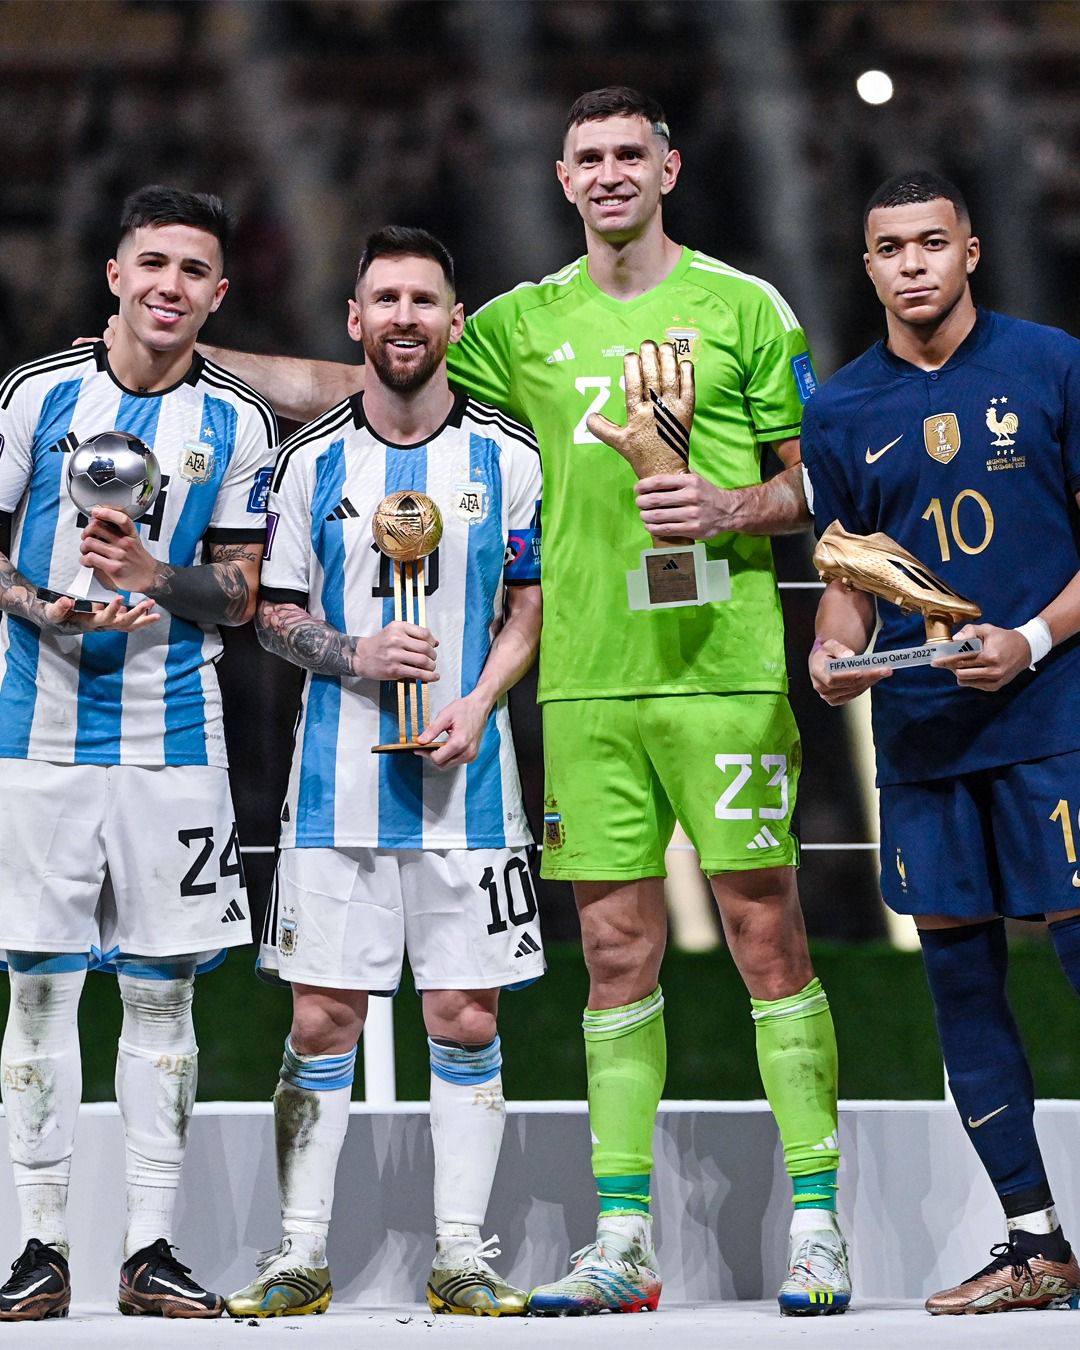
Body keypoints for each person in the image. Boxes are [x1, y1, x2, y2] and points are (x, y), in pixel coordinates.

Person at [192, 87, 849, 1318]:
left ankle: (818, 1225)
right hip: (583, 684)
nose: (610, 173)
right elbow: (378, 378)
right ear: (562, 178)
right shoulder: (518, 323)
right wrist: (195, 356)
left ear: (668, 168)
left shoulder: (745, 305)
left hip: (724, 668)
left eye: (630, 154)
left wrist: (730, 507)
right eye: (588, 156)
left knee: (767, 938)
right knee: (615, 957)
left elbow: (819, 478)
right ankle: (623, 1239)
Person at [224, 226, 544, 1319]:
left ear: (454, 319)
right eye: (386, 300)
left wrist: (482, 699)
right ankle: (298, 1255)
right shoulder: (308, 461)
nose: (405, 317)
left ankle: (461, 1256)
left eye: (424, 299)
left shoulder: (507, 454)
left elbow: (528, 603)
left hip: (472, 787)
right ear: (354, 320)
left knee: (465, 1016)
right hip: (335, 790)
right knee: (323, 1022)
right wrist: (354, 654)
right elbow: (273, 613)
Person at [804, 169, 1080, 1315]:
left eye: (931, 243)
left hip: (1052, 722)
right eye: (889, 248)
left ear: (971, 251)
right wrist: (831, 654)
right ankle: (1035, 1242)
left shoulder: (1052, 366)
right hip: (921, 737)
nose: (911, 264)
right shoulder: (841, 410)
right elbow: (847, 575)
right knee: (960, 981)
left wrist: (1031, 639)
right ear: (867, 265)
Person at [0, 185, 277, 1319]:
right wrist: (43, 606)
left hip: (174, 736)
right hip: (34, 730)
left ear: (219, 294)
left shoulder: (239, 423)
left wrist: (153, 577)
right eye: (152, 263)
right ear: (115, 275)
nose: (170, 285)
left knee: (164, 992)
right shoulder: (34, 395)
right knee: (38, 988)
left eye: (193, 270)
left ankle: (149, 1249)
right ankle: (40, 1249)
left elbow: (244, 594)